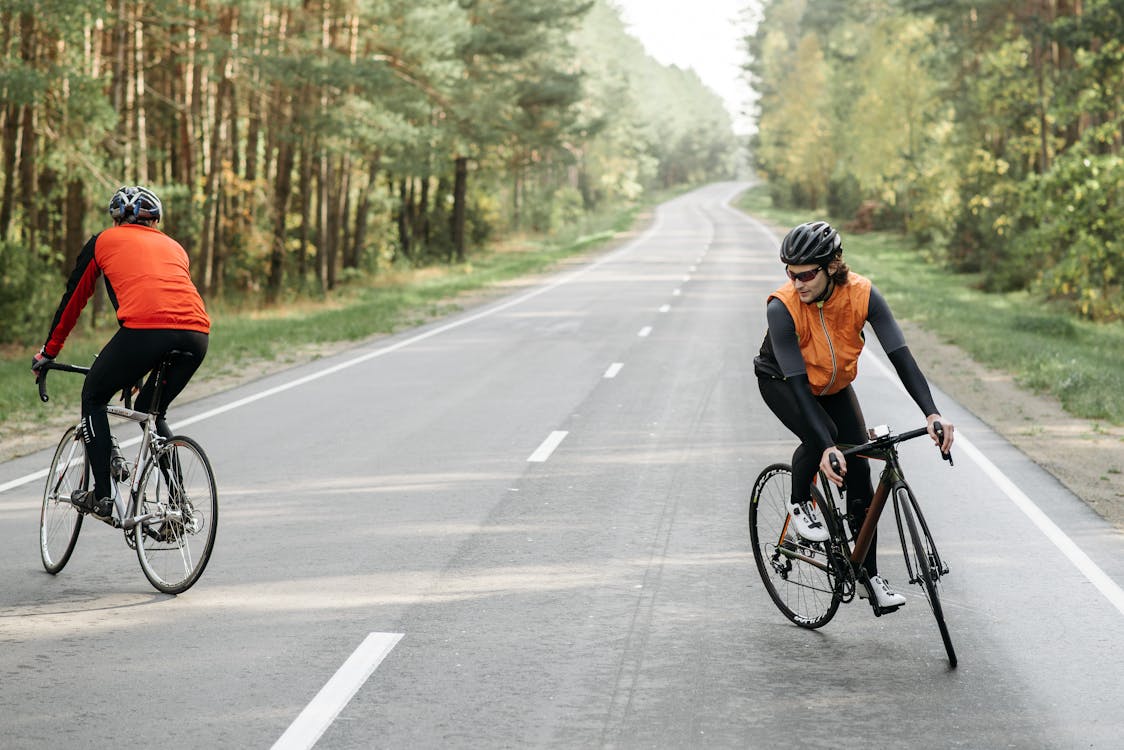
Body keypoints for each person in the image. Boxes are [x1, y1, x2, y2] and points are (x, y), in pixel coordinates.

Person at [754, 220, 954, 611]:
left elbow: (901, 356)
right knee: (823, 434)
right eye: (791, 274)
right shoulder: (782, 307)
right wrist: (827, 446)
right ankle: (799, 502)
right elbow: (798, 384)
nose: (798, 283)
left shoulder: (862, 294)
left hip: (833, 384)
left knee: (859, 465)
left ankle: (868, 576)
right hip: (782, 380)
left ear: (832, 266)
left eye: (807, 274)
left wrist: (932, 413)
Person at [31, 186, 210, 520]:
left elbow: (75, 300)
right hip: (197, 335)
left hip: (145, 332)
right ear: (154, 220)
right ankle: (179, 507)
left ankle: (103, 498)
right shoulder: (174, 246)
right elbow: (159, 299)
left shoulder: (104, 242)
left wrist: (48, 351)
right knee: (151, 413)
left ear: (115, 219)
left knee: (94, 397)